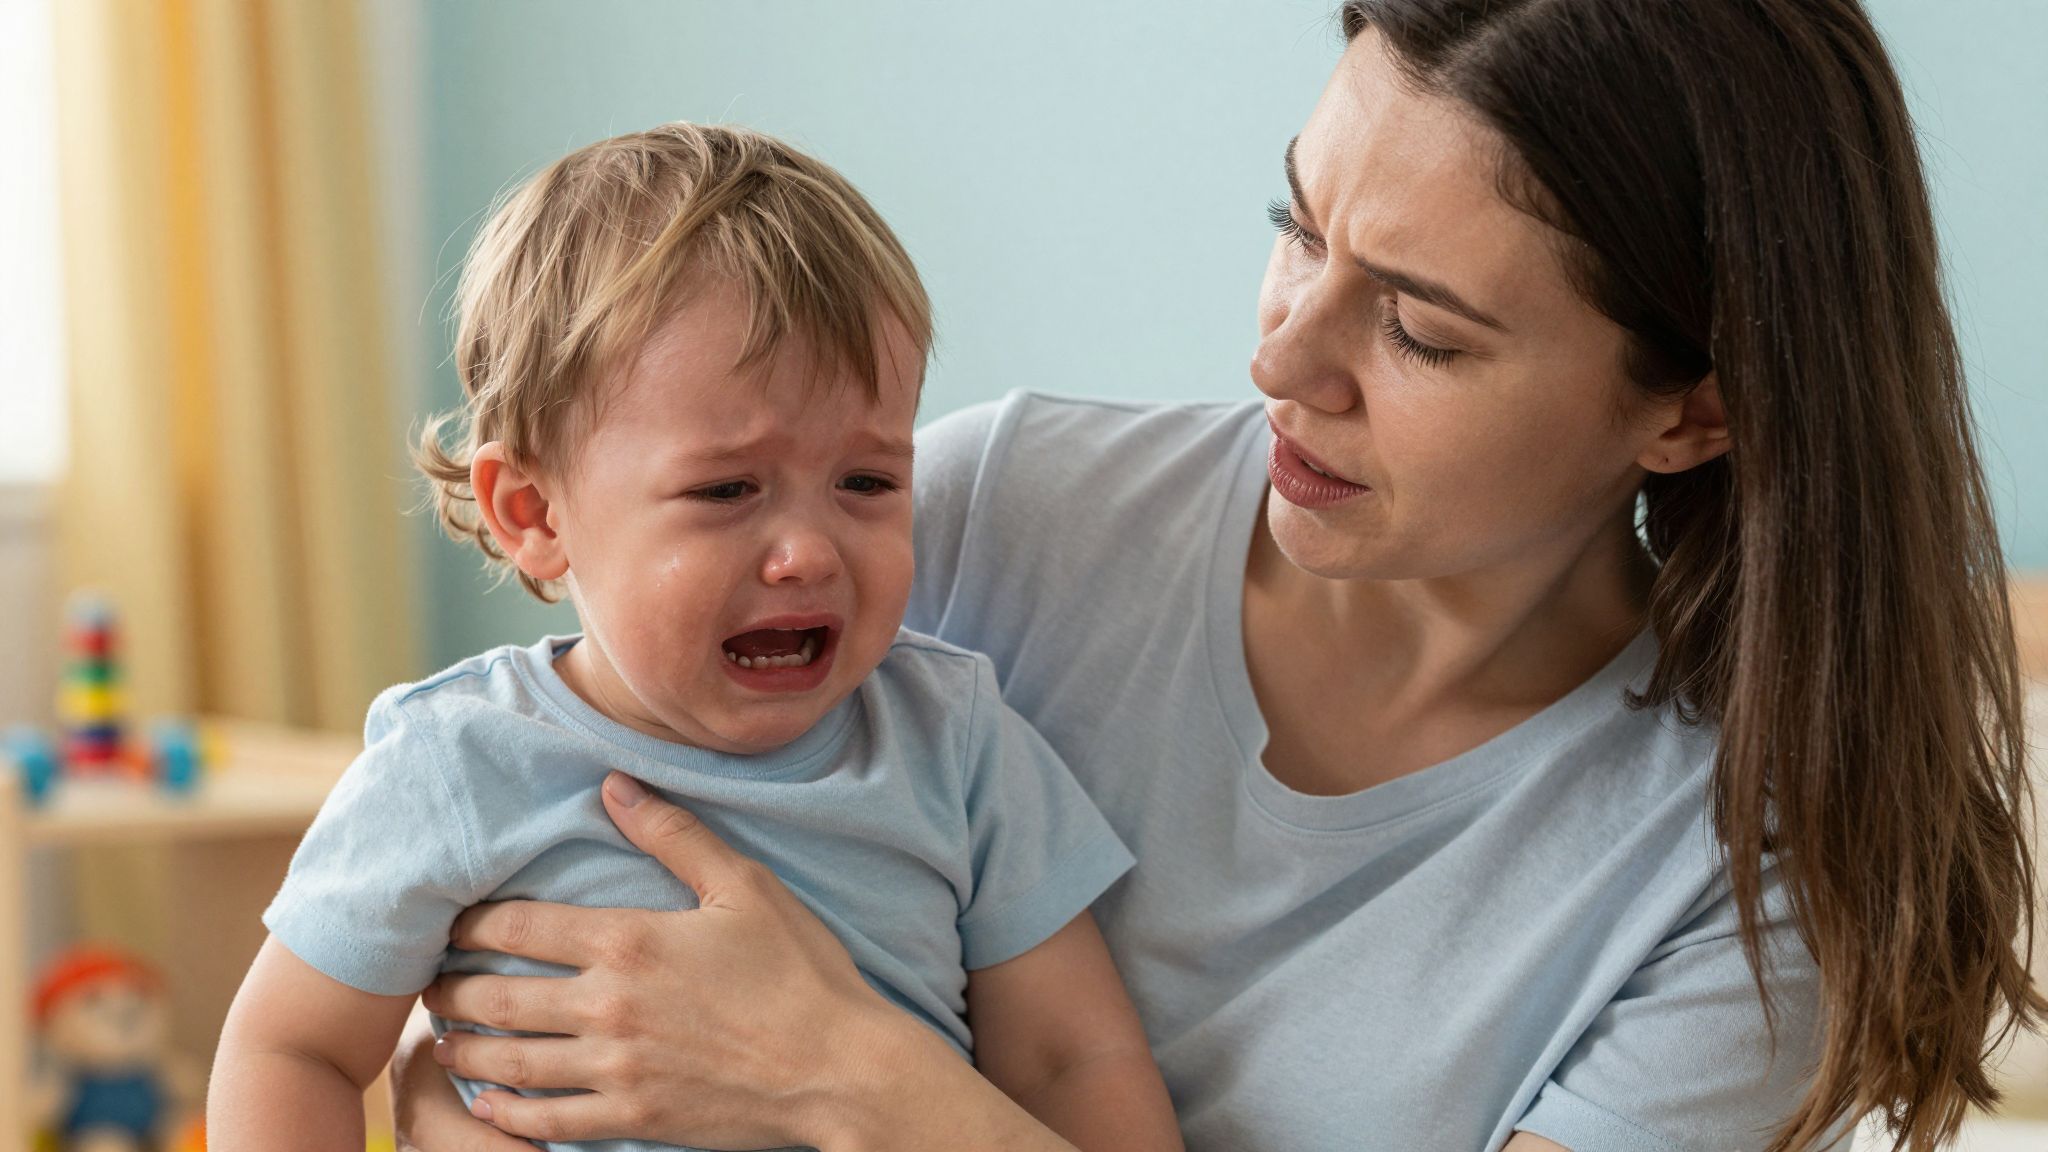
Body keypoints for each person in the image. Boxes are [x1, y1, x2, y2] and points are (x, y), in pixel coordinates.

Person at [393, 2, 2045, 1150]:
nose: (1281, 356)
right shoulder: (989, 513)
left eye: (1416, 328)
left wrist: (849, 1079)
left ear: (1691, 407)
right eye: (1299, 227)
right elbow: (494, 936)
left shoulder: (1750, 893)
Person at [206, 122, 1182, 1152]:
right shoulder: (455, 763)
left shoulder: (958, 743)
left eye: (867, 483)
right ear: (533, 513)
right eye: (726, 489)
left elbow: (1072, 1058)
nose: (808, 551)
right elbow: (292, 1050)